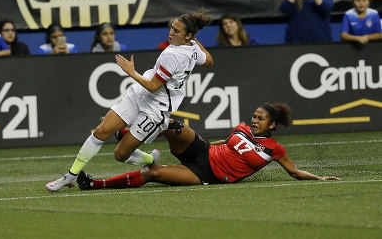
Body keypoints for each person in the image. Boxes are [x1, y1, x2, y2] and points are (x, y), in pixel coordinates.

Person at [46, 9, 214, 191]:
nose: (171, 32)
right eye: (172, 28)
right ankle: (69, 176)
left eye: (177, 31)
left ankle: (150, 159)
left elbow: (153, 86)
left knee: (121, 154)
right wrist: (194, 42)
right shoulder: (191, 47)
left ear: (187, 35)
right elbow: (209, 61)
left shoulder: (172, 55)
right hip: (139, 94)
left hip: (156, 109)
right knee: (101, 132)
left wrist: (131, 72)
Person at [76, 103, 340, 190]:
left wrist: (319, 177)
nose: (254, 120)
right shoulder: (241, 129)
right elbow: (224, 143)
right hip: (202, 151)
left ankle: (94, 184)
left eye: (261, 118)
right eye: (255, 116)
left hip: (208, 175)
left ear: (272, 125)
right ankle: (123, 131)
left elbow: (294, 172)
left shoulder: (275, 149)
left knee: (151, 174)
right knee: (171, 126)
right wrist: (200, 145)